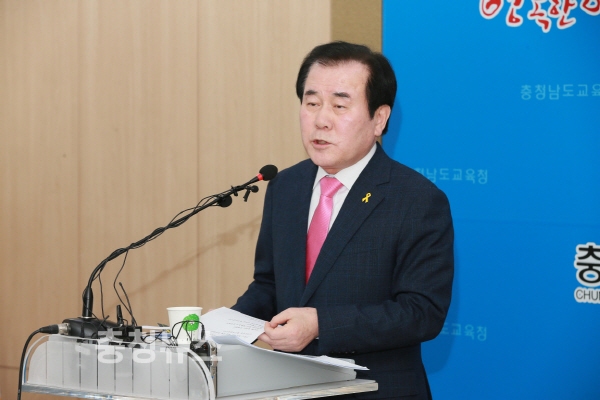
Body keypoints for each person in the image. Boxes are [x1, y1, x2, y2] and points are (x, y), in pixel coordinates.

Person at [232, 41, 454, 399]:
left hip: (376, 390)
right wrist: (225, 327)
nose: (321, 120)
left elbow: (421, 312)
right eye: (312, 103)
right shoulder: (286, 186)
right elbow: (270, 284)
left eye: (339, 105)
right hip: (289, 386)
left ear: (379, 119)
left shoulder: (416, 199)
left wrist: (321, 324)